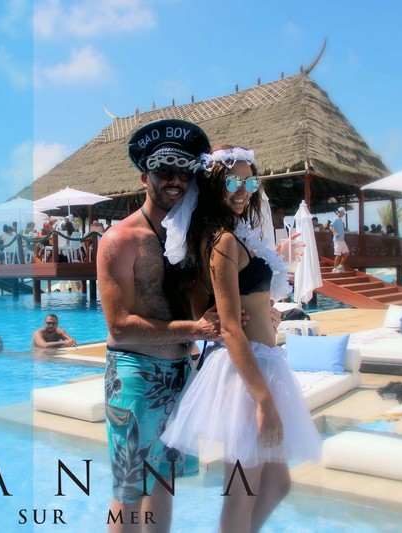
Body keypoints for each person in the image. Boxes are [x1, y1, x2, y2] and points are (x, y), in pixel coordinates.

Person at [160, 144, 321, 532]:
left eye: (250, 182)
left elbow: (212, 298)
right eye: (233, 181)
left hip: (264, 361)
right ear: (215, 183)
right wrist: (263, 400)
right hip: (248, 374)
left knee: (277, 483)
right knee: (242, 490)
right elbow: (231, 327)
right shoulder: (223, 241)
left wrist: (266, 309)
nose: (243, 190)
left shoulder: (229, 235)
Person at [97, 118, 221, 532]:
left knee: (165, 482)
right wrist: (194, 330)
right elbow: (119, 325)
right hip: (135, 374)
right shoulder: (120, 240)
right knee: (130, 490)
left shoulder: (190, 238)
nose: (175, 180)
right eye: (164, 170)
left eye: (184, 172)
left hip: (181, 373)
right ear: (143, 177)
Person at [330, 207, 350, 273]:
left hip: (341, 240)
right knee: (338, 255)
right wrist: (335, 233)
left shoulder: (340, 219)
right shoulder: (336, 219)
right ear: (340, 212)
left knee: (346, 253)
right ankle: (334, 268)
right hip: (337, 240)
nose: (344, 214)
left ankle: (340, 266)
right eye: (343, 213)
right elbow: (330, 227)